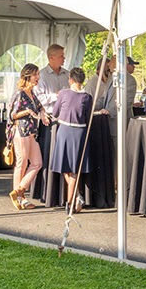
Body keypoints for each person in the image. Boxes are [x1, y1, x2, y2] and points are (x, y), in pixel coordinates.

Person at [50, 67, 93, 213]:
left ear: (71, 79)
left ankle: (70, 202)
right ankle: (76, 196)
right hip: (79, 132)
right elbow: (88, 119)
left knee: (68, 169)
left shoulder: (64, 93)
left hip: (65, 131)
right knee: (70, 168)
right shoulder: (87, 97)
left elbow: (55, 113)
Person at [8, 63, 50, 210]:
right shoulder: (20, 93)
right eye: (36, 75)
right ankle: (20, 197)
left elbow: (40, 107)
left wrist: (43, 114)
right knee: (22, 163)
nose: (38, 77)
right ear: (28, 76)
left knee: (37, 163)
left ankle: (19, 191)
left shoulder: (32, 93)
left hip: (31, 133)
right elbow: (12, 115)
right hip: (21, 132)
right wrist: (26, 112)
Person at [32, 44, 70, 202]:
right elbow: (38, 98)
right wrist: (57, 96)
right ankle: (48, 192)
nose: (64, 58)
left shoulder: (67, 74)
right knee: (49, 155)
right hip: (49, 121)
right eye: (61, 56)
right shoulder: (41, 76)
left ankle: (63, 193)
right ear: (51, 58)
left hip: (66, 120)